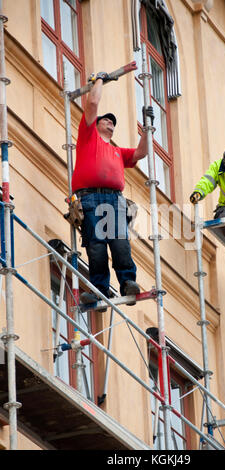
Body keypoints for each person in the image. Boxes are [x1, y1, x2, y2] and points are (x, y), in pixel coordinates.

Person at [71, 72, 150, 304]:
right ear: (96, 124)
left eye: (113, 122)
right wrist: (99, 81)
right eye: (106, 120)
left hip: (114, 200)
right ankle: (99, 288)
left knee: (119, 242)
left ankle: (127, 282)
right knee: (95, 246)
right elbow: (93, 103)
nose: (110, 122)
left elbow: (141, 153)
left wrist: (147, 130)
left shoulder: (117, 151)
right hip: (89, 198)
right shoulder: (88, 137)